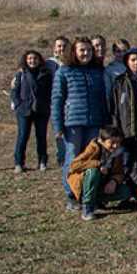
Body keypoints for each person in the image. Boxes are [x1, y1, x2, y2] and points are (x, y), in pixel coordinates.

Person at [52, 36, 108, 208]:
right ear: (74, 52)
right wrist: (58, 125)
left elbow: (103, 98)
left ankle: (88, 193)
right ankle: (71, 194)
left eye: (89, 50)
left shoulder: (97, 71)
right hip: (73, 123)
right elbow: (57, 99)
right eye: (82, 50)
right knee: (72, 158)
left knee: (91, 158)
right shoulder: (64, 71)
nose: (86, 53)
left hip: (94, 122)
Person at [67, 125, 130, 221]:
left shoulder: (117, 153)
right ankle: (87, 207)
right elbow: (74, 165)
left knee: (125, 191)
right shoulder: (94, 148)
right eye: (112, 142)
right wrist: (98, 164)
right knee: (93, 172)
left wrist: (114, 181)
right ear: (101, 141)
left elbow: (119, 172)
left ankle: (96, 202)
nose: (115, 146)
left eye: (118, 142)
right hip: (85, 184)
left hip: (102, 184)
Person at [11, 50, 53, 172]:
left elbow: (50, 91)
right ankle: (19, 163)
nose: (32, 61)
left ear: (39, 60)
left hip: (41, 110)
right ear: (25, 60)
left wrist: (47, 103)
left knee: (41, 137)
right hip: (24, 110)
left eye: (35, 58)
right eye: (29, 58)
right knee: (23, 136)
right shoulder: (21, 74)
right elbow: (14, 91)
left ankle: (42, 162)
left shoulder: (46, 74)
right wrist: (18, 104)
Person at [47, 36, 70, 166]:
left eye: (64, 46)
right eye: (59, 46)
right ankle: (61, 157)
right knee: (59, 130)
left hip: (71, 102)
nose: (61, 48)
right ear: (54, 48)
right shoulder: (49, 63)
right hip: (56, 101)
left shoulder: (71, 62)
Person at [103, 38, 130, 103]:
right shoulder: (109, 70)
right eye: (118, 51)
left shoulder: (134, 65)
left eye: (124, 51)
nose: (122, 54)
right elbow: (108, 93)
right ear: (114, 52)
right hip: (119, 104)